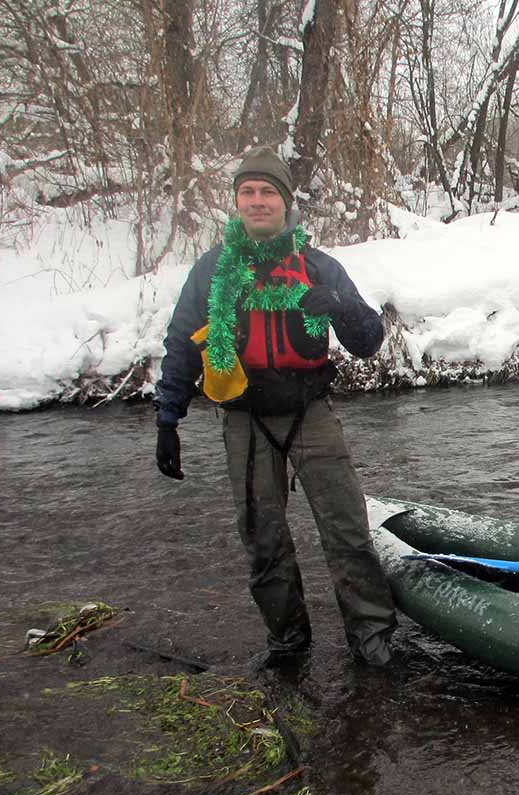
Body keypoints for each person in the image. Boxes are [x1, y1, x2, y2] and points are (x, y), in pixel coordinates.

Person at [152, 145, 397, 668]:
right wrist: (167, 419)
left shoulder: (316, 266)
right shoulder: (212, 269)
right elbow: (180, 343)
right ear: (237, 202)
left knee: (348, 531)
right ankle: (288, 641)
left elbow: (368, 339)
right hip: (244, 420)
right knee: (263, 540)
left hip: (310, 412)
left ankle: (371, 636)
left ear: (287, 203)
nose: (258, 201)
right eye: (248, 192)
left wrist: (341, 305)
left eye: (268, 192)